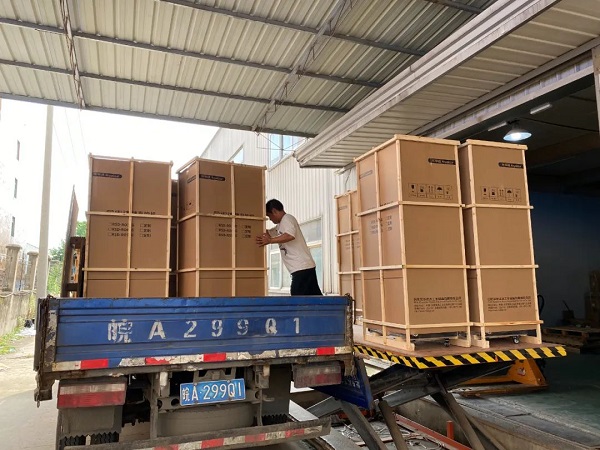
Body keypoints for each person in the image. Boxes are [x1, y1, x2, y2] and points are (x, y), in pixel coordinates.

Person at [256, 199, 322, 296]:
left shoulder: (287, 218)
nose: (270, 219)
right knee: (313, 296)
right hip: (303, 267)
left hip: (302, 267)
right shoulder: (280, 226)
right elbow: (268, 233)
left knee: (297, 295)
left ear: (274, 211)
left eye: (269, 216)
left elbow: (290, 235)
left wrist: (270, 241)